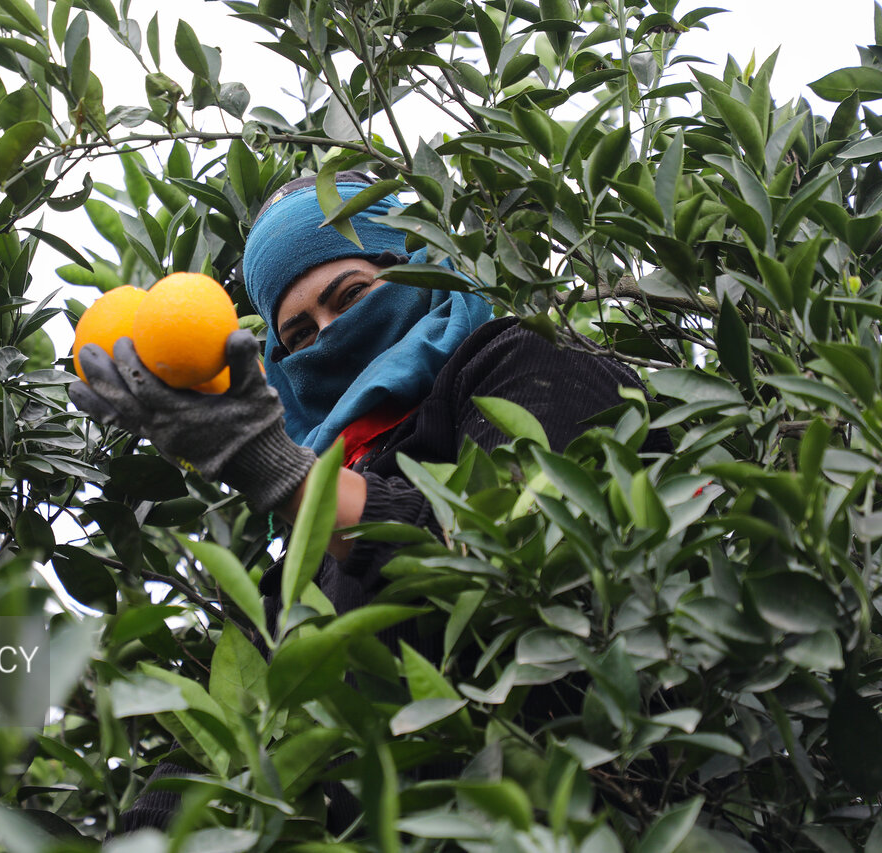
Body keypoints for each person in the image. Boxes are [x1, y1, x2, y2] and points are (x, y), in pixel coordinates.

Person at [69, 172, 673, 834]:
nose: (329, 335)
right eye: (299, 333)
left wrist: (272, 467)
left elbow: (506, 561)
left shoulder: (537, 361)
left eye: (350, 295)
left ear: (414, 267)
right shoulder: (305, 563)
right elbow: (211, 758)